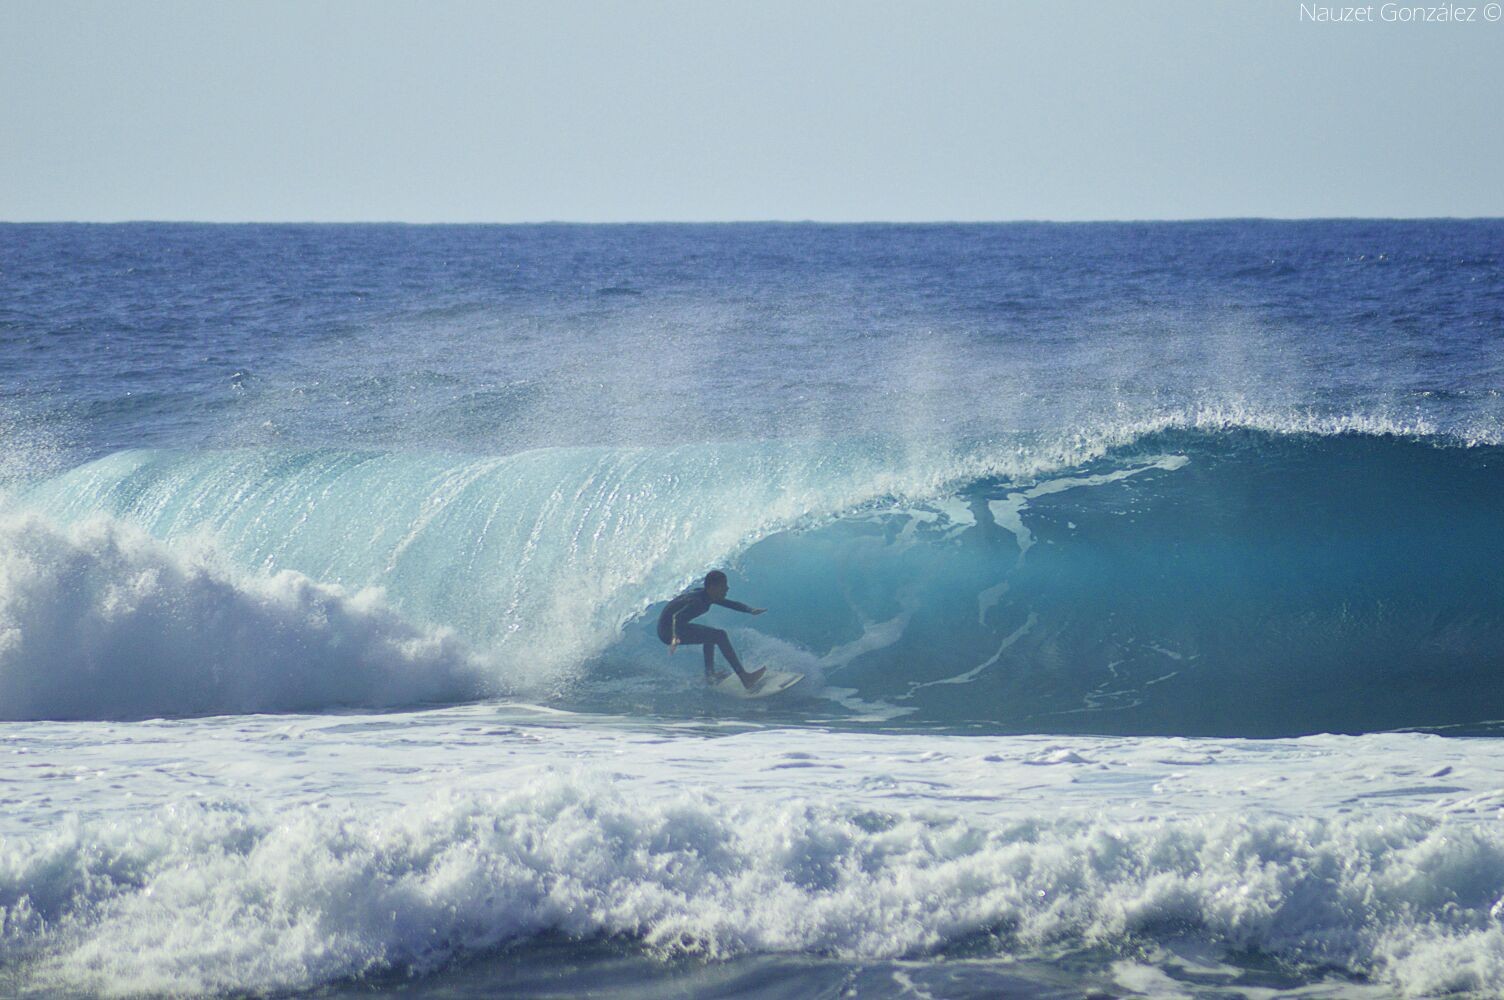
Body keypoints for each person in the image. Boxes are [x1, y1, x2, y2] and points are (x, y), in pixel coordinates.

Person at [658, 570, 767, 689]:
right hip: (668, 631)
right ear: (712, 587)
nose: (727, 588)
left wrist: (750, 610)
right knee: (719, 635)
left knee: (711, 636)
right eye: (723, 585)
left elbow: (730, 604)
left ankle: (710, 675)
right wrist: (675, 637)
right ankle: (745, 678)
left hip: (676, 626)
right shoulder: (698, 601)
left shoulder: (707, 595)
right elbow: (676, 617)